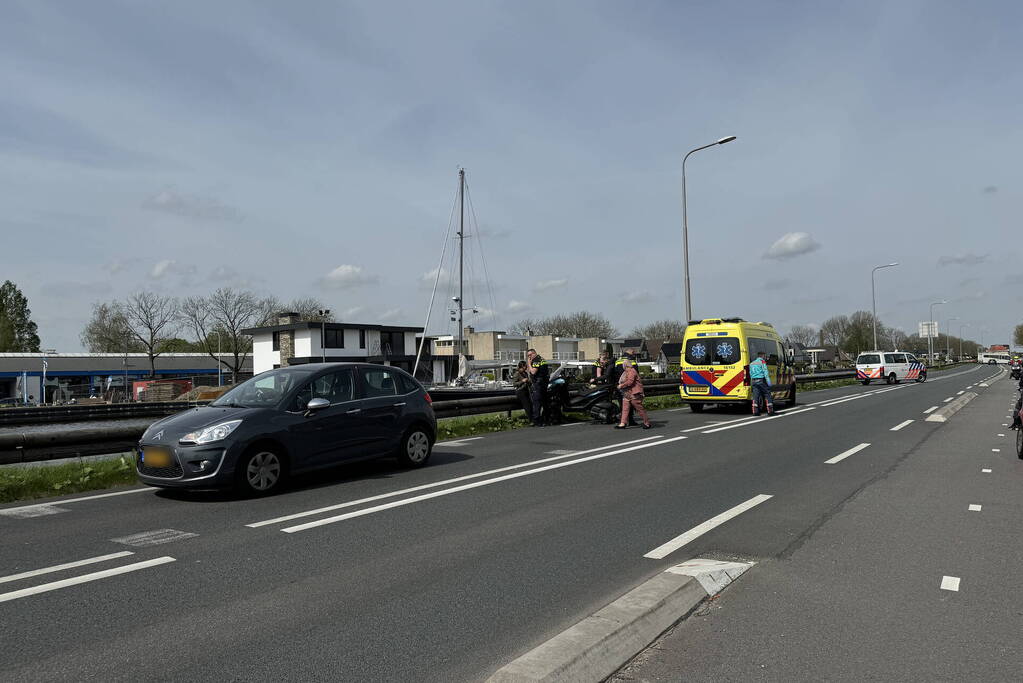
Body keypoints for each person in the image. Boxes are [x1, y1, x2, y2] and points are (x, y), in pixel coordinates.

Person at [616, 358, 651, 429]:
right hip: (627, 393)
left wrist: (621, 385)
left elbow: (630, 382)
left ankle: (647, 423)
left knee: (639, 409)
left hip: (635, 393)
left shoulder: (632, 371)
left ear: (626, 366)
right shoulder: (626, 372)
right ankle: (623, 423)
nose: (623, 368)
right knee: (625, 408)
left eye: (624, 366)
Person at [526, 348, 550, 426]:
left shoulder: (536, 360)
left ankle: (537, 421)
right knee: (544, 402)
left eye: (530, 355)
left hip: (539, 384)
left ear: (534, 353)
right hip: (544, 383)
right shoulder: (542, 359)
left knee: (537, 402)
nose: (529, 357)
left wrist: (529, 363)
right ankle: (546, 420)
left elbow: (533, 372)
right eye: (528, 356)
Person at [749, 351, 774, 415]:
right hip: (761, 380)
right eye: (765, 356)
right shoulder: (762, 362)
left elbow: (750, 373)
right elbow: (765, 372)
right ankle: (770, 411)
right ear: (762, 356)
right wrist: (769, 382)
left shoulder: (752, 363)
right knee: (767, 394)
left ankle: (755, 411)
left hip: (754, 381)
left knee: (755, 396)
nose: (765, 357)